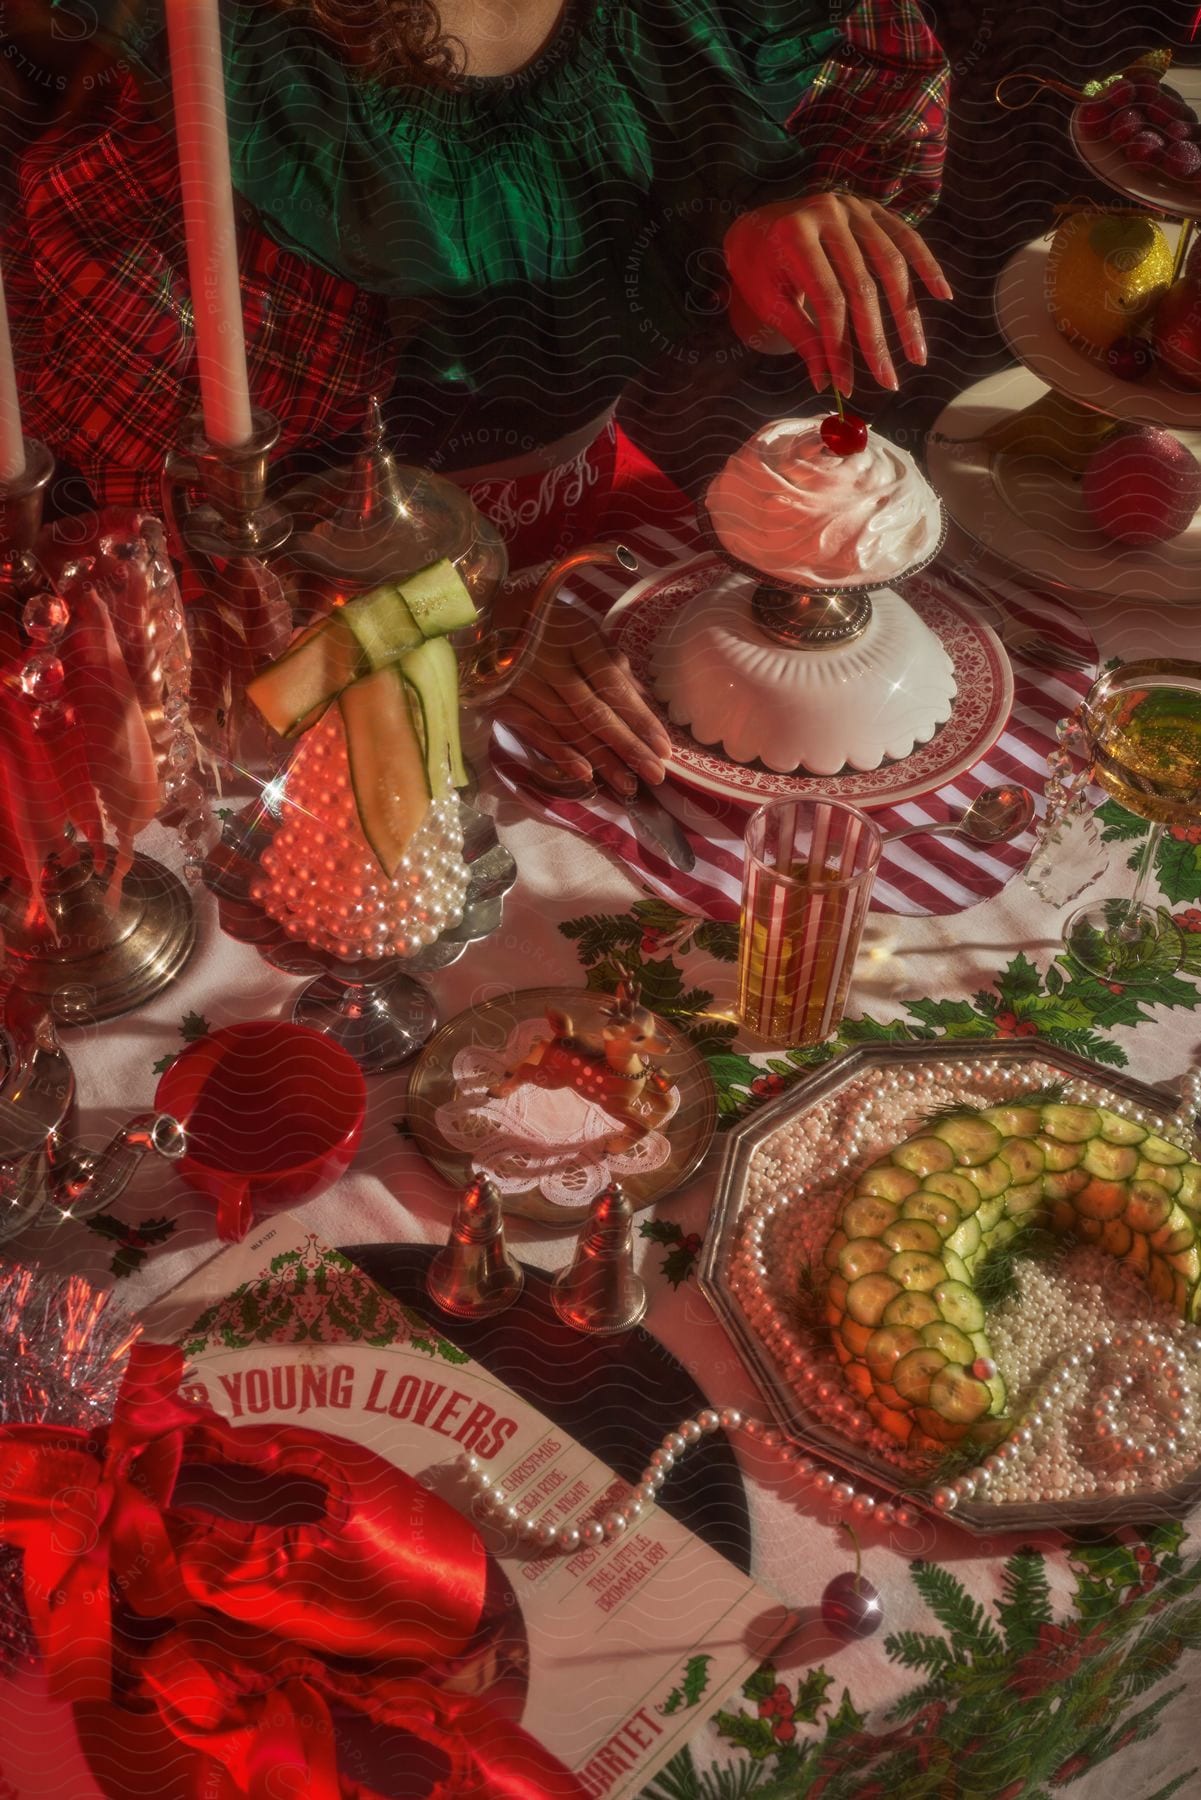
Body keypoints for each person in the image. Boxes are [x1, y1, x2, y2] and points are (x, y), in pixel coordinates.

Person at [1, 0, 951, 794]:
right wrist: (438, 630)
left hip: (592, 532)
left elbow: (873, 82)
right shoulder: (230, 76)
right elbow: (164, 539)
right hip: (324, 631)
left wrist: (780, 220)